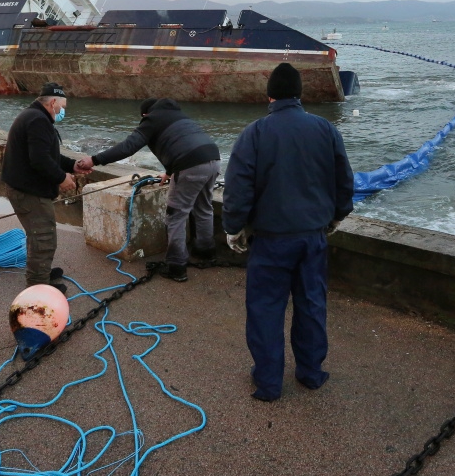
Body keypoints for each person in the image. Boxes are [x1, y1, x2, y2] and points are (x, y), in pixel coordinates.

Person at [222, 63, 354, 402]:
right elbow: (344, 179)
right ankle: (311, 373)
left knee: (265, 309)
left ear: (270, 96)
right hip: (313, 237)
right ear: (299, 94)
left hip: (270, 239)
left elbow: (238, 187)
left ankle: (268, 382)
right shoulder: (325, 129)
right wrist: (338, 216)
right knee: (312, 305)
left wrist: (233, 228)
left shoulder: (254, 132)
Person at [77, 98, 221, 282]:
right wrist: (169, 172)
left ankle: (177, 266)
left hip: (189, 165)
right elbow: (182, 143)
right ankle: (206, 252)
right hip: (213, 159)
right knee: (204, 207)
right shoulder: (180, 117)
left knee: (176, 215)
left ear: (145, 114)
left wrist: (94, 159)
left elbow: (128, 147)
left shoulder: (151, 120)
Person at [1, 82, 89, 289]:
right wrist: (61, 178)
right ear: (53, 102)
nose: (63, 111)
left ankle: (42, 273)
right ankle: (38, 285)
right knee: (43, 238)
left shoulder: (33, 116)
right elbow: (40, 160)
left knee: (37, 236)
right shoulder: (38, 120)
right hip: (29, 192)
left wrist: (73, 166)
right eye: (62, 107)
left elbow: (49, 155)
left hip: (23, 188)